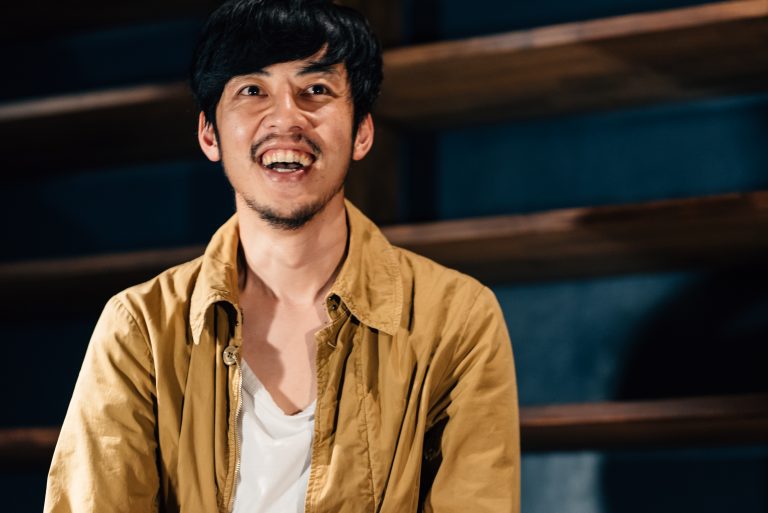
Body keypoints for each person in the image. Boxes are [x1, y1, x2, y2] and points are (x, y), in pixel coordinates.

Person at [43, 1, 520, 511]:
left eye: (316, 90)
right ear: (210, 134)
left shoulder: (456, 318)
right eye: (252, 90)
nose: (287, 117)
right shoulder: (140, 327)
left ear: (361, 131)